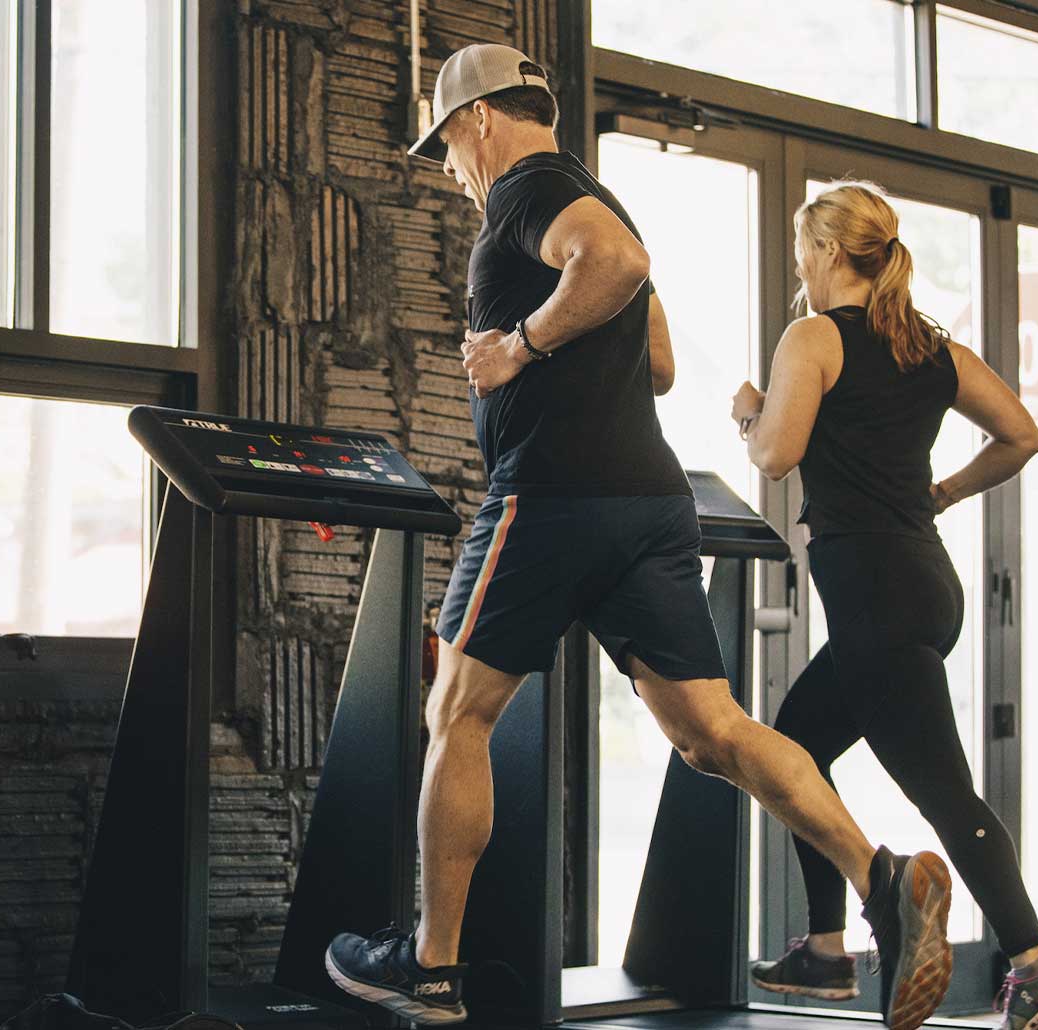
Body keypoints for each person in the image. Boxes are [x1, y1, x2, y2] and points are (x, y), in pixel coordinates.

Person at [323, 44, 954, 1030]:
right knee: (712, 733)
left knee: (457, 710)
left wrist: (517, 347)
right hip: (648, 502)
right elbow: (657, 360)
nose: (448, 167)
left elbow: (618, 267)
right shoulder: (594, 195)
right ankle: (880, 876)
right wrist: (565, 344)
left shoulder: (529, 192)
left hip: (550, 494)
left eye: (446, 141)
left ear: (481, 118)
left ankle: (431, 969)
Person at [731, 181, 1038, 1030]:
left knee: (943, 792)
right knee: (794, 747)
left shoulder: (815, 337)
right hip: (923, 585)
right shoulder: (930, 348)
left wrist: (748, 414)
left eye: (802, 251)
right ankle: (824, 952)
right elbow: (1022, 436)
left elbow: (775, 456)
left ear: (826, 252)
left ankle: (1036, 959)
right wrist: (945, 492)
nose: (800, 267)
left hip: (877, 595)